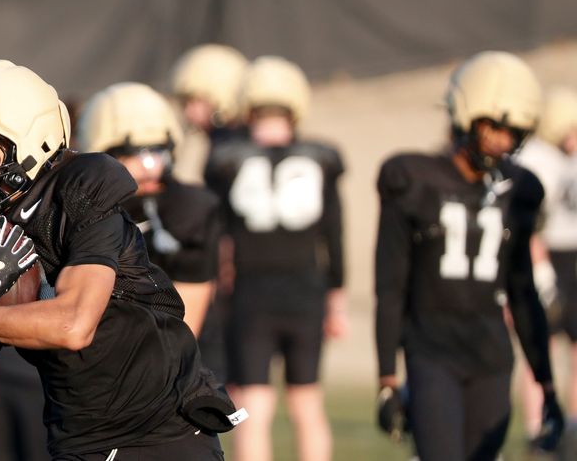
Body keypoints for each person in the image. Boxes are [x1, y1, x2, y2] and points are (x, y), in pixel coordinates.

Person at [0, 59, 242, 460]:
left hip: (161, 431)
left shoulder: (81, 189)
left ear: (26, 138)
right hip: (78, 438)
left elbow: (73, 325)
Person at [374, 51, 565, 460]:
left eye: (513, 130)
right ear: (465, 115)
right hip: (431, 350)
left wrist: (546, 384)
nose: (502, 139)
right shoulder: (412, 178)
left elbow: (522, 290)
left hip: (491, 354)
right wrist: (387, 377)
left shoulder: (521, 188)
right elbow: (390, 286)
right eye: (493, 125)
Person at [205, 55, 348, 461]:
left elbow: (221, 239)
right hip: (306, 290)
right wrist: (337, 299)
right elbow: (334, 235)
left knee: (253, 405)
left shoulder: (228, 159)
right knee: (307, 404)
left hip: (252, 293)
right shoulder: (321, 158)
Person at [77, 81, 222, 336]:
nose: (151, 167)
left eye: (159, 153)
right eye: (135, 155)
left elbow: (185, 328)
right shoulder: (86, 209)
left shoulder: (189, 209)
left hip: (166, 353)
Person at [514, 86, 577, 448]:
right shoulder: (535, 157)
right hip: (547, 256)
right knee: (540, 345)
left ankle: (570, 425)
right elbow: (529, 223)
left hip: (572, 258)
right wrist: (539, 270)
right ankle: (538, 427)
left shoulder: (568, 156)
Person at [170, 43, 249, 185]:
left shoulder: (245, 149)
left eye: (197, 101)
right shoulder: (194, 142)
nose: (188, 111)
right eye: (186, 102)